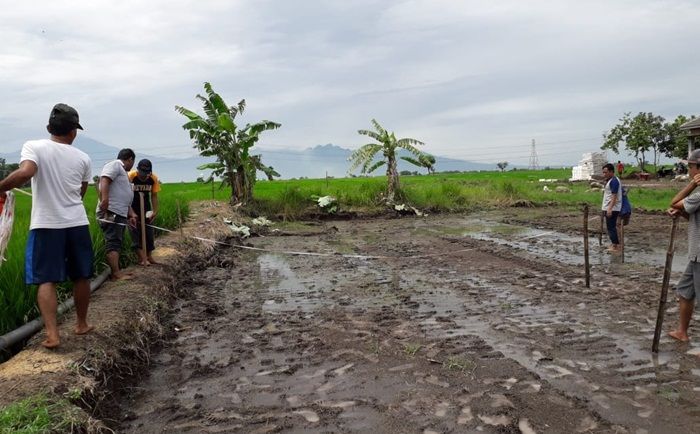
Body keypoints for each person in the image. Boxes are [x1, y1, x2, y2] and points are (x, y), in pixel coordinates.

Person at [0, 103, 93, 348]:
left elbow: (25, 173)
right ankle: (81, 324)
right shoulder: (83, 157)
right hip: (77, 222)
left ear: (49, 127)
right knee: (82, 275)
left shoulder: (34, 146)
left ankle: (53, 335)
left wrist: (1, 187)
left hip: (45, 225)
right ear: (74, 131)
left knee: (46, 279)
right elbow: (81, 192)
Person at [666, 149, 700, 342]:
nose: (688, 170)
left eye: (690, 167)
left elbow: (675, 201)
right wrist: (680, 213)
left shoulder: (698, 194)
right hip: (695, 253)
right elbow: (693, 216)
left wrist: (691, 184)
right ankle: (682, 331)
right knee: (685, 290)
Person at [97, 149, 137, 280]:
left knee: (117, 241)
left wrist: (131, 214)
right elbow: (104, 179)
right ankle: (115, 273)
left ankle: (117, 271)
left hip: (120, 211)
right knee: (113, 241)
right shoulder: (115, 165)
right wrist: (105, 199)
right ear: (130, 159)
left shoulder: (122, 172)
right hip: (111, 211)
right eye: (133, 162)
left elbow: (123, 196)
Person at [128, 159, 161, 266]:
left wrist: (155, 211)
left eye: (147, 173)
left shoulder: (153, 178)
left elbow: (154, 196)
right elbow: (124, 195)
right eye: (143, 173)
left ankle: (149, 256)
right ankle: (142, 258)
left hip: (146, 209)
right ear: (138, 170)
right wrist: (131, 212)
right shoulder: (130, 176)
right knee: (135, 234)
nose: (145, 175)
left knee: (149, 234)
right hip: (131, 209)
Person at [602, 163, 622, 253]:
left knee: (611, 227)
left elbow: (614, 196)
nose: (604, 174)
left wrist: (609, 208)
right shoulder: (611, 180)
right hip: (611, 207)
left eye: (605, 172)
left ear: (611, 171)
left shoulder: (614, 181)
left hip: (612, 209)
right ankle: (614, 244)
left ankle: (615, 246)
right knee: (611, 227)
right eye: (603, 172)